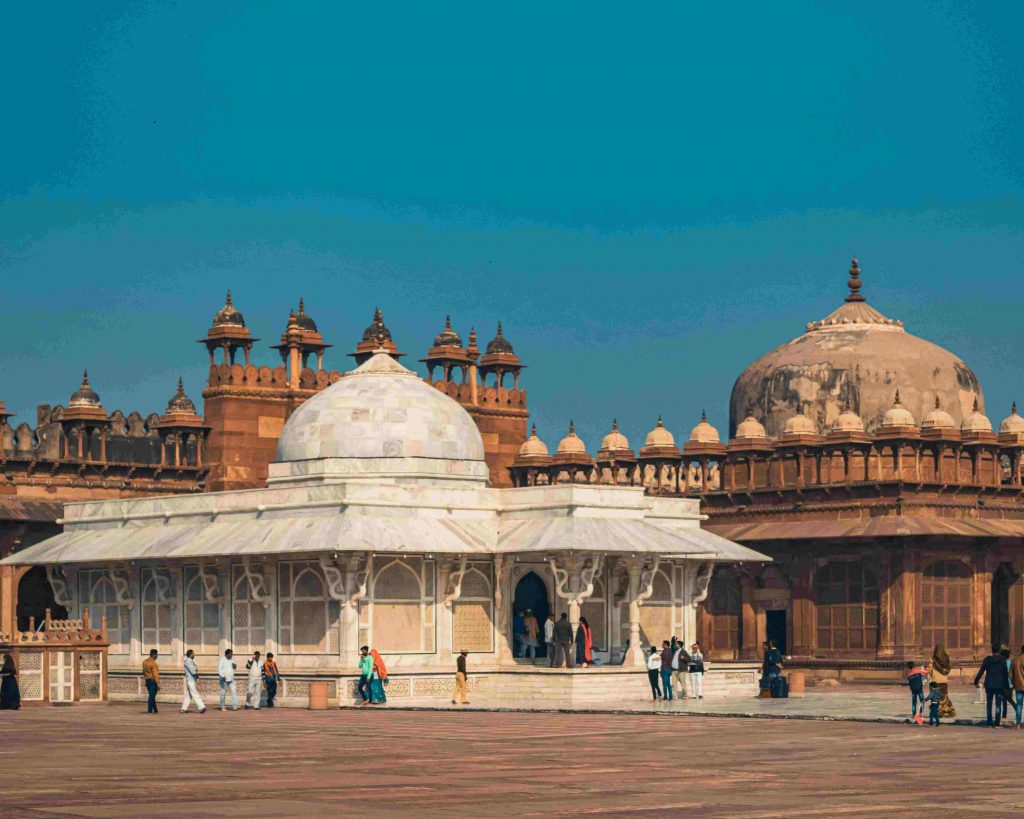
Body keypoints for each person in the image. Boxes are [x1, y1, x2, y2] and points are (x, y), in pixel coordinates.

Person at [974, 645, 1010, 727]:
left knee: (989, 704)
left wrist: (976, 681)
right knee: (998, 704)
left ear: (992, 650)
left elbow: (981, 672)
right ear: (999, 651)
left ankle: (989, 722)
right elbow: (1005, 675)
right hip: (999, 685)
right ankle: (997, 722)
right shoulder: (1002, 660)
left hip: (989, 684)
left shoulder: (987, 660)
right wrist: (1006, 687)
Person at [930, 645, 955, 717]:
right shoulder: (946, 658)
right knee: (944, 695)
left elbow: (930, 669)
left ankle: (938, 712)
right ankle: (948, 710)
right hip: (944, 680)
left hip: (936, 680)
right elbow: (948, 669)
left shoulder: (933, 659)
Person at [180, 649, 206, 714]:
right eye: (193, 653)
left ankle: (183, 708)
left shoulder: (191, 661)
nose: (194, 655)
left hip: (192, 679)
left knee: (189, 695)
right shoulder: (188, 661)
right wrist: (197, 674)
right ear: (191, 654)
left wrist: (197, 676)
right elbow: (193, 670)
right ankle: (201, 707)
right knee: (194, 693)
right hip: (190, 680)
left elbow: (195, 669)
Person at [142, 649, 160, 714]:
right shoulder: (153, 663)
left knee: (152, 696)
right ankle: (150, 709)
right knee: (151, 696)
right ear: (154, 655)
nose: (157, 656)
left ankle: (155, 709)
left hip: (147, 680)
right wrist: (158, 684)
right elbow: (155, 674)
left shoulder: (144, 662)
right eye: (157, 654)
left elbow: (143, 672)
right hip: (153, 681)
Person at [1010, 645, 1024, 729]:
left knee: (1019, 705)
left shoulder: (1015, 659)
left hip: (1018, 686)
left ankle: (1018, 724)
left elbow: (1010, 674)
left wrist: (1014, 683)